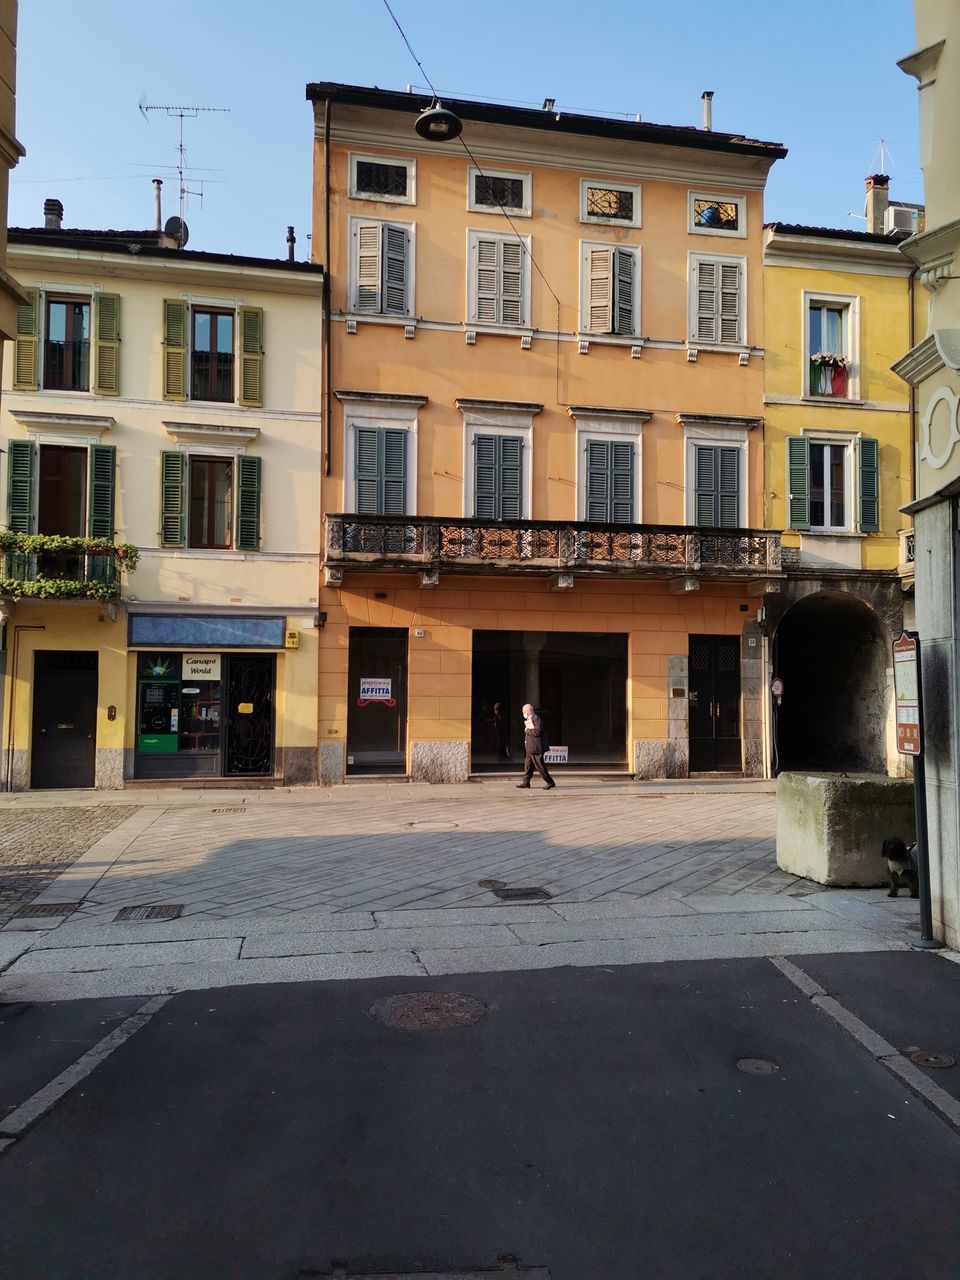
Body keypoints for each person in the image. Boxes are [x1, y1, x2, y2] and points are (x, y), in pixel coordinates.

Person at [516, 702, 556, 790]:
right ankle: (526, 782)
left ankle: (550, 782)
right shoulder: (530, 719)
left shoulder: (536, 718)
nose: (523, 713)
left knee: (540, 766)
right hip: (530, 748)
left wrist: (527, 731)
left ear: (530, 711)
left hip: (536, 748)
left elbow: (538, 731)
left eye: (524, 711)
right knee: (528, 766)